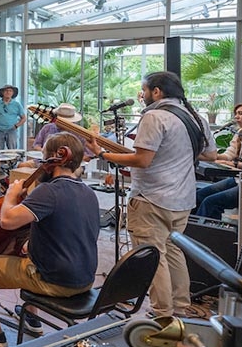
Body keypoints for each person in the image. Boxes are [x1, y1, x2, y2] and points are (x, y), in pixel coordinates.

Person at [87, 71, 216, 319]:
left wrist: (102, 154)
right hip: (183, 198)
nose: (142, 95)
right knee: (174, 252)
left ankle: (162, 313)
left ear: (157, 91)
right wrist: (176, 154)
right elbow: (210, 155)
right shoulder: (196, 117)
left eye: (144, 90)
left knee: (153, 256)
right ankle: (180, 307)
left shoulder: (154, 116)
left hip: (152, 198)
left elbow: (142, 160)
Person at [0, 133, 101, 346]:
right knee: (24, 248)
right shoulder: (88, 192)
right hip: (85, 278)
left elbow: (7, 220)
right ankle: (32, 318)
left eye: (44, 155)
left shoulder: (48, 191)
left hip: (56, 282)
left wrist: (11, 194)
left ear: (55, 157)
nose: (41, 162)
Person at [0, 84, 26, 150]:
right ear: (2, 92)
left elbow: (23, 118)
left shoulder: (17, 105)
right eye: (6, 91)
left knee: (12, 150)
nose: (8, 92)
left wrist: (16, 126)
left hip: (12, 130)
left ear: (12, 93)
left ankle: (13, 161)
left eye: (10, 91)